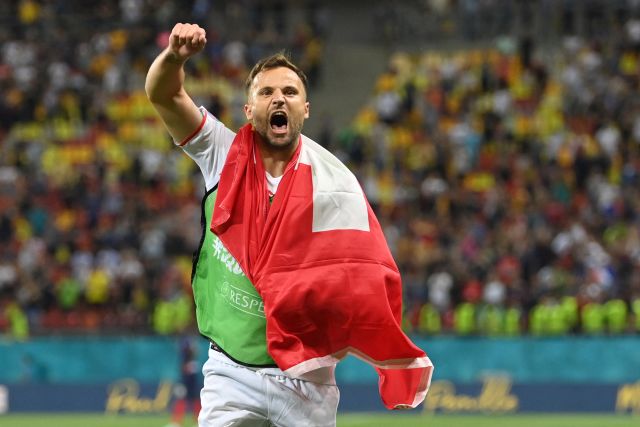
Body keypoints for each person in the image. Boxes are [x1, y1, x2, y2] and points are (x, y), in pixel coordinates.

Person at [146, 23, 433, 427]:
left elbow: (361, 273)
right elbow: (164, 94)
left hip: (307, 378)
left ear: (305, 109)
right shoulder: (222, 156)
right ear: (249, 110)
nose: (278, 97)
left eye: (290, 92)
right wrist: (175, 57)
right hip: (231, 372)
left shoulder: (336, 186)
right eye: (266, 92)